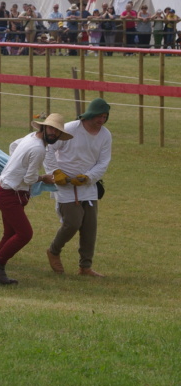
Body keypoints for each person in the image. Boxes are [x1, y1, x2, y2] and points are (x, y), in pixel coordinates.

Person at [0, 114, 73, 285]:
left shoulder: (30, 137)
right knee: (25, 234)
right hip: (9, 194)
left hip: (5, 189)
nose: (53, 133)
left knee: (10, 233)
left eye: (57, 131)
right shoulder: (39, 149)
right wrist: (44, 178)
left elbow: (13, 146)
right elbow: (29, 179)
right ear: (43, 127)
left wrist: (16, 165)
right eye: (51, 128)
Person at [43, 98, 112, 277]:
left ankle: (85, 267)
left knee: (90, 227)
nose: (101, 120)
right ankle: (54, 251)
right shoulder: (70, 129)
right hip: (64, 185)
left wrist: (88, 177)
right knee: (72, 223)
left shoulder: (105, 135)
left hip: (87, 186)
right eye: (99, 116)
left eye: (104, 117)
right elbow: (49, 149)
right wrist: (55, 172)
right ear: (90, 114)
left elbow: (104, 161)